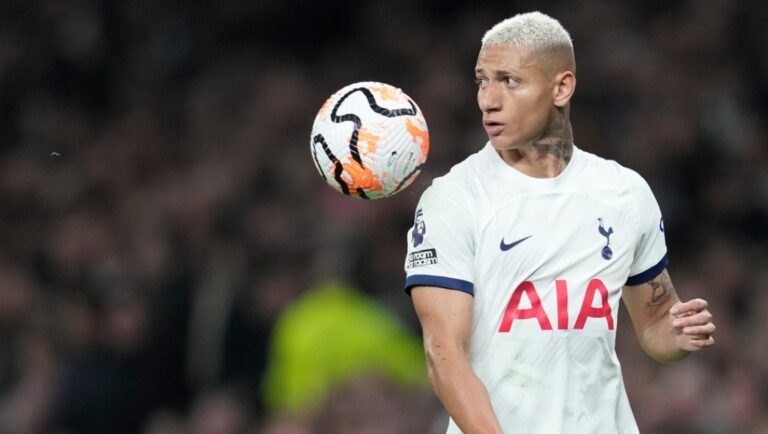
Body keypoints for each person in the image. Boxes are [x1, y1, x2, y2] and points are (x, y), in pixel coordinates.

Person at [403, 11, 715, 434]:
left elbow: (655, 321)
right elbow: (443, 354)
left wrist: (677, 335)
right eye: (482, 80)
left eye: (509, 81)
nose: (487, 99)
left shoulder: (624, 192)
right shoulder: (455, 198)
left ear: (561, 87)